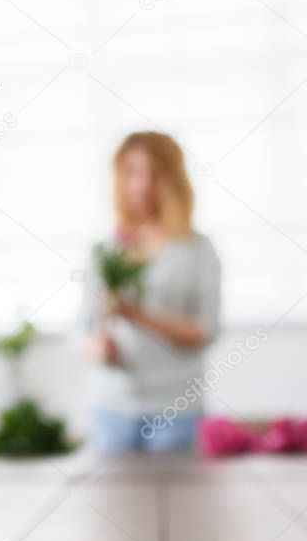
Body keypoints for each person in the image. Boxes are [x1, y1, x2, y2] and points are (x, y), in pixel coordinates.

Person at [79, 132, 221, 453]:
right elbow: (82, 329)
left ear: (172, 178)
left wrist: (138, 316)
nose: (142, 184)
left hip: (176, 410)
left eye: (153, 173)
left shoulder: (197, 250)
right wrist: (98, 349)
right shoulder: (104, 249)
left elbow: (206, 330)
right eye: (131, 171)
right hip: (110, 407)